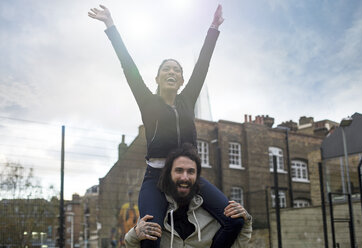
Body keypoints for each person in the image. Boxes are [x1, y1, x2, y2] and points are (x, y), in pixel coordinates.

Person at [88, 4, 244, 248]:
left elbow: (203, 65)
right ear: (158, 78)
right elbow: (127, 65)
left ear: (181, 80)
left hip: (187, 176)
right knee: (150, 234)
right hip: (157, 179)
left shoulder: (187, 99)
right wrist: (110, 26)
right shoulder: (148, 103)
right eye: (166, 69)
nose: (172, 72)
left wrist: (213, 28)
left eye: (177, 70)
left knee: (235, 220)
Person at [124, 144, 252, 248]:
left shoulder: (214, 218)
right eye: (179, 170)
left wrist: (245, 222)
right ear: (169, 174)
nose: (184, 177)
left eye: (191, 171)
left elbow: (235, 245)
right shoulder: (154, 214)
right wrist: (135, 234)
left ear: (197, 177)